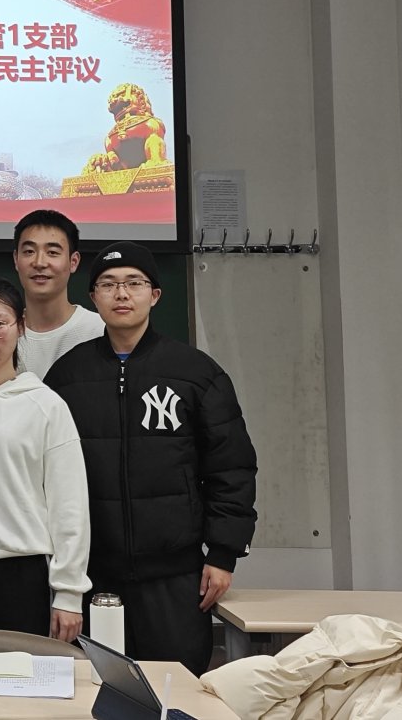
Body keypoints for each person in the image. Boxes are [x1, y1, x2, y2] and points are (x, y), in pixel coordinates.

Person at [46, 241, 257, 675]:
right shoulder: (67, 376)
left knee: (175, 686)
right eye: (108, 284)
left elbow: (231, 467)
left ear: (155, 295)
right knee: (94, 687)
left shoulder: (196, 373)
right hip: (93, 575)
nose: (121, 294)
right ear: (94, 297)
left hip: (175, 576)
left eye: (134, 283)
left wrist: (223, 553)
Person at [0, 278, 90, 641]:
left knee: (19, 674)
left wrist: (69, 593)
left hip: (23, 574)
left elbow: (69, 503)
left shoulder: (46, 405)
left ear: (20, 325)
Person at [12, 209, 105, 379]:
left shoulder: (100, 330)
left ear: (73, 262)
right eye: (29, 251)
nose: (39, 263)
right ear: (16, 260)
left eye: (52, 253)